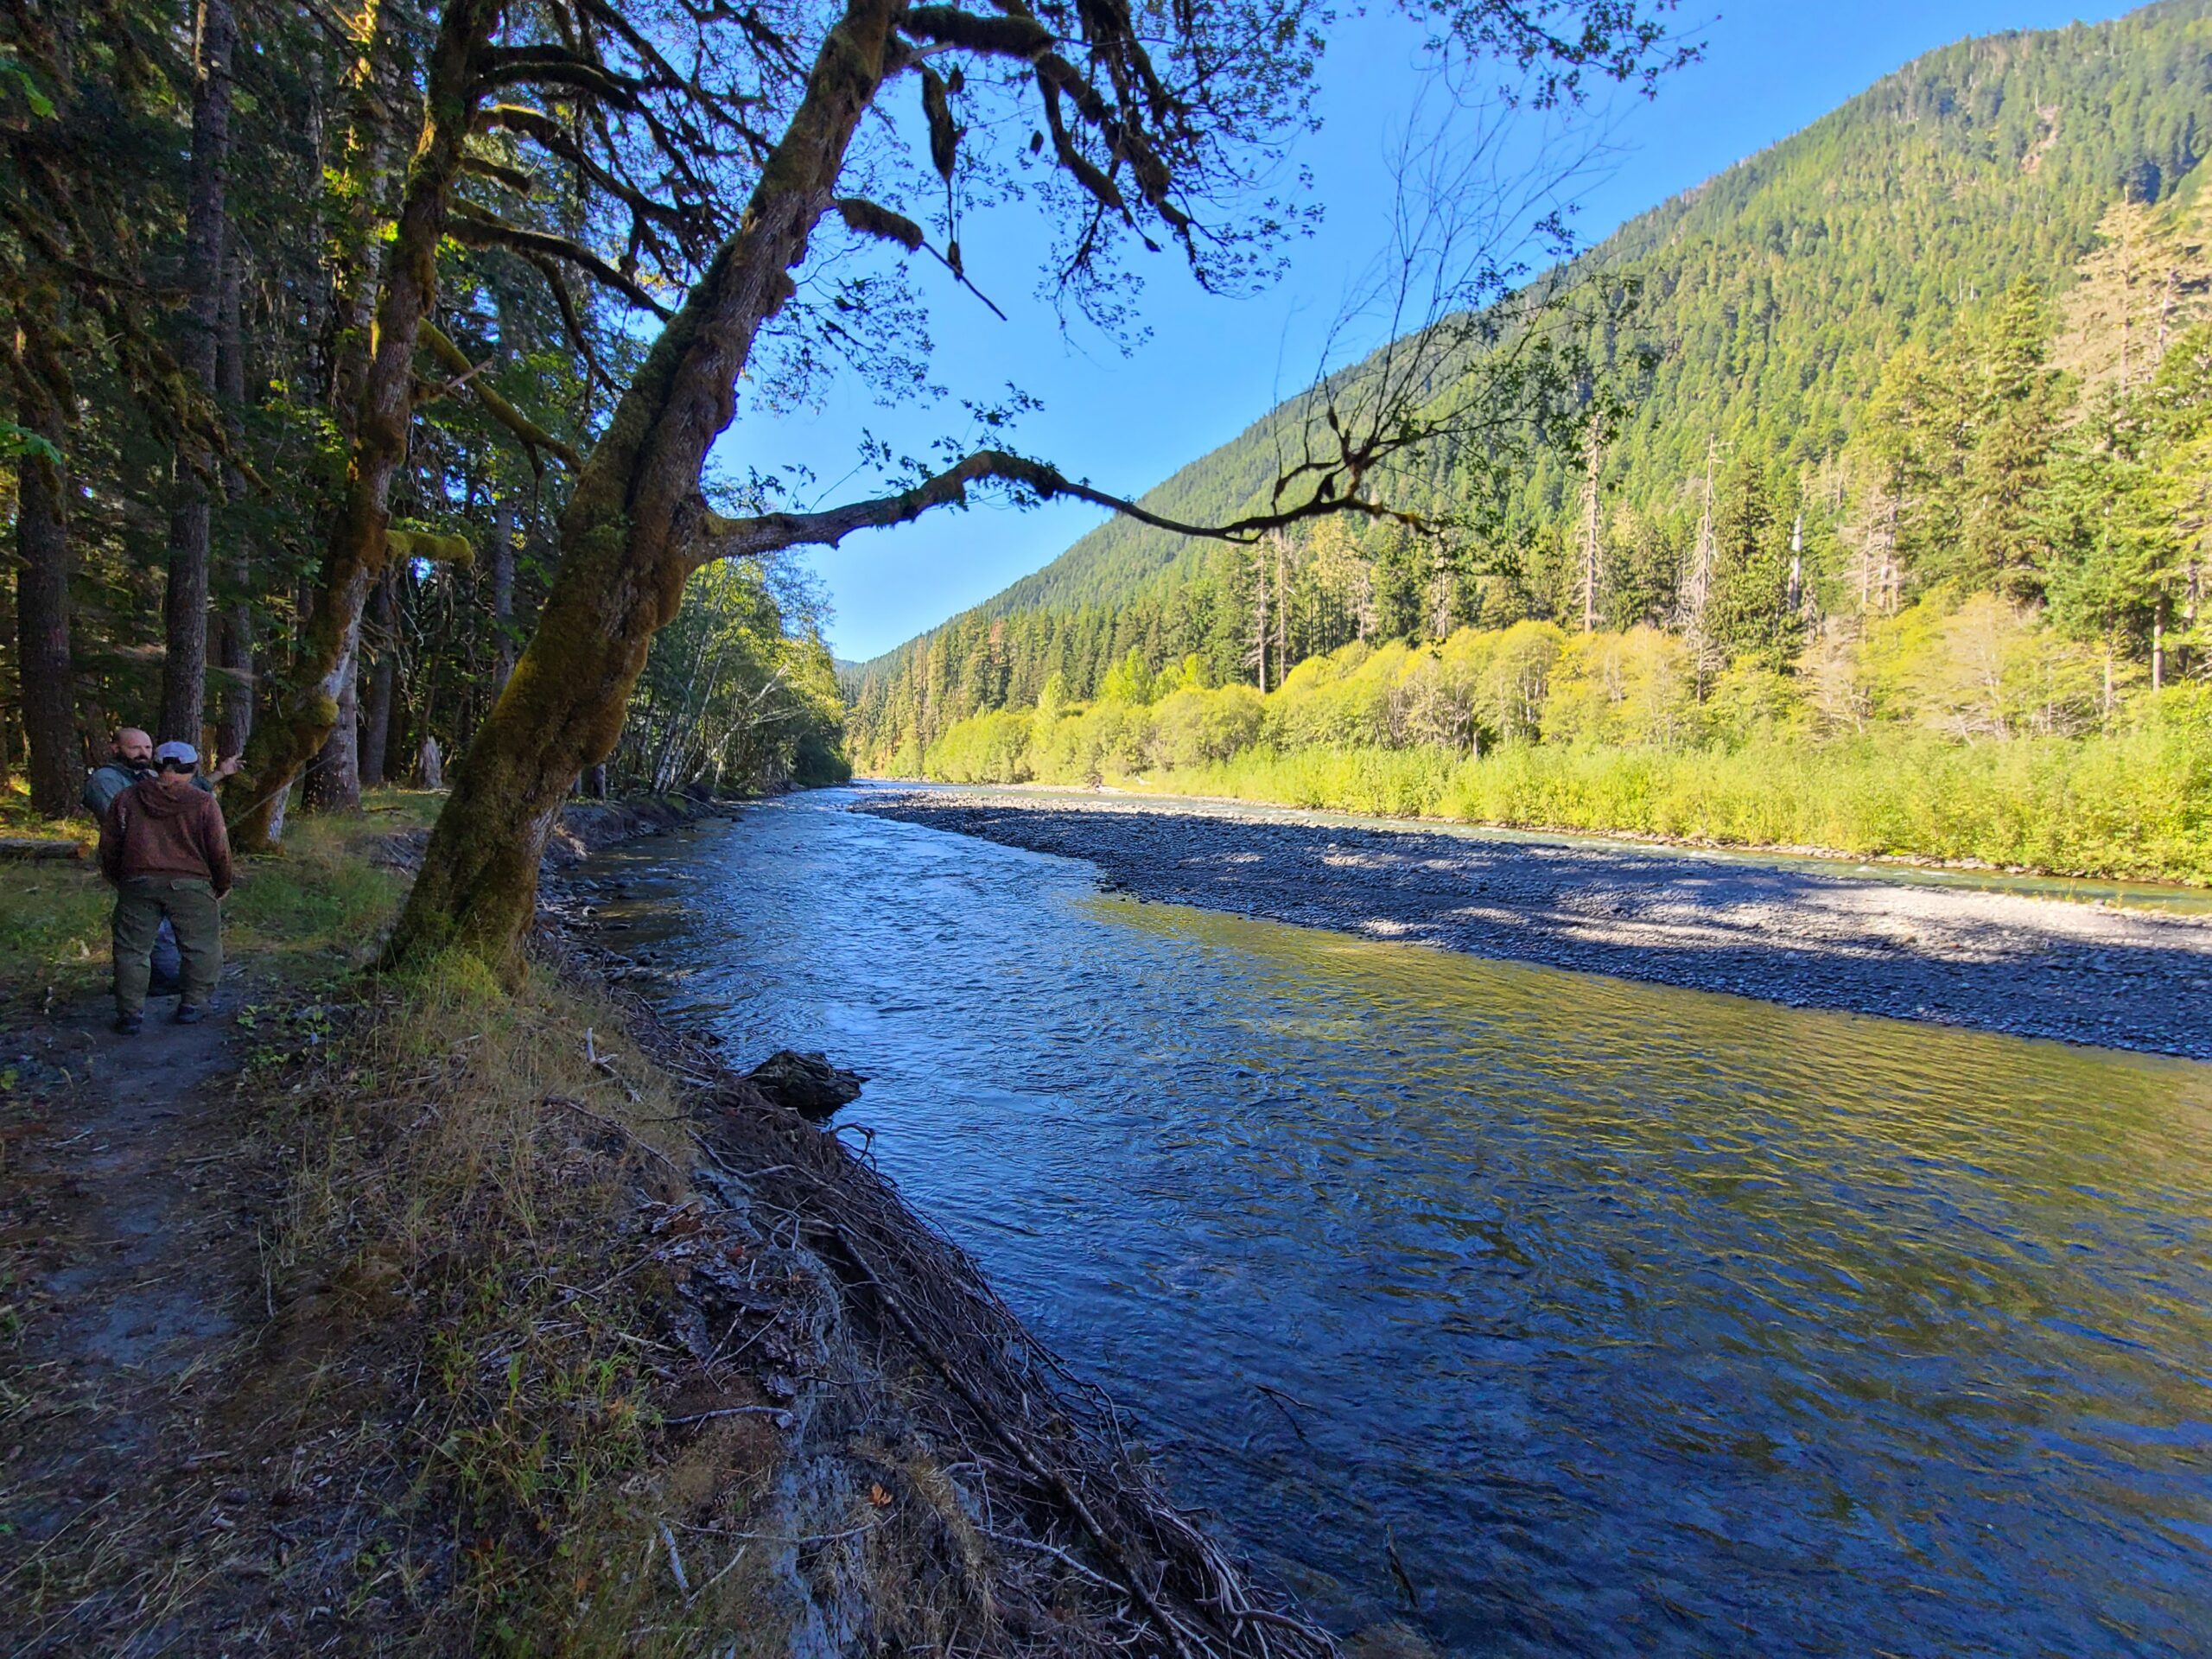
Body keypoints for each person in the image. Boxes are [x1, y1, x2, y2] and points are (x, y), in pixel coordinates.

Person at [99, 741, 233, 1034]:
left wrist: (119, 880)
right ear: (194, 768)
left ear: (156, 766)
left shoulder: (126, 798)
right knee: (200, 947)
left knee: (131, 950)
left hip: (137, 882)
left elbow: (109, 846)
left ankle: (130, 1014)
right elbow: (219, 850)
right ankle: (193, 1006)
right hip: (191, 884)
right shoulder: (203, 802)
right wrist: (222, 884)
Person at [82, 727, 239, 817]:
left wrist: (220, 773)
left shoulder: (148, 774)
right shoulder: (105, 779)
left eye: (148, 748)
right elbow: (117, 819)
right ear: (116, 749)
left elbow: (184, 788)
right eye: (135, 748)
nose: (143, 753)